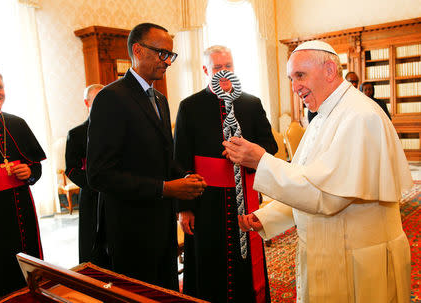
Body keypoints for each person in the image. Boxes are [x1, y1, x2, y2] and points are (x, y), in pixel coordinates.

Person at [223, 41, 413, 303]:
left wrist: (262, 162)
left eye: (300, 75)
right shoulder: (323, 114)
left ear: (330, 70)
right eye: (291, 78)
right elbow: (310, 179)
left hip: (358, 259)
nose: (294, 86)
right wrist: (269, 215)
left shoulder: (359, 116)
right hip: (330, 252)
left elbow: (329, 195)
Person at [86, 23, 206, 290]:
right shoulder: (111, 98)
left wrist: (182, 177)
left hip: (161, 223)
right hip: (130, 228)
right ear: (138, 50)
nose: (168, 62)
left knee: (164, 291)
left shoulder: (160, 99)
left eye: (171, 56)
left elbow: (161, 156)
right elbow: (99, 174)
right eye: (162, 53)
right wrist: (165, 188)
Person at [174, 45, 277, 303]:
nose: (224, 72)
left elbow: (270, 147)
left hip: (244, 199)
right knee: (209, 261)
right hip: (204, 200)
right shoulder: (189, 106)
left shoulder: (252, 104)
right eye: (218, 67)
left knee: (246, 262)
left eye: (228, 66)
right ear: (206, 70)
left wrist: (248, 156)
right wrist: (185, 207)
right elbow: (179, 160)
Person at [0, 67, 46, 302]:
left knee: (27, 275)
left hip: (20, 212)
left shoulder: (17, 123)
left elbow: (36, 168)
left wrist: (29, 172)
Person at [65, 83, 108, 266]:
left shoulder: (118, 129)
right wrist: (95, 183)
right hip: (91, 195)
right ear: (87, 102)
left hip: (117, 194)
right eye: (97, 99)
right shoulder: (76, 134)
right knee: (92, 244)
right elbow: (71, 169)